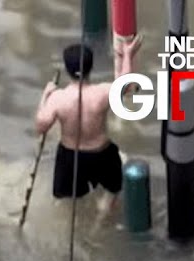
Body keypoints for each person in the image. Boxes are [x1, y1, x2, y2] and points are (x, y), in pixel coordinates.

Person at [35, 35, 143, 213]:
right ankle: (103, 212)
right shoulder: (102, 93)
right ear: (91, 67)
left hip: (71, 157)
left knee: (67, 201)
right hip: (101, 154)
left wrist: (45, 96)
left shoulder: (58, 98)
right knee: (112, 189)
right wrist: (128, 55)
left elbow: (41, 127)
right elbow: (128, 87)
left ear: (67, 69)